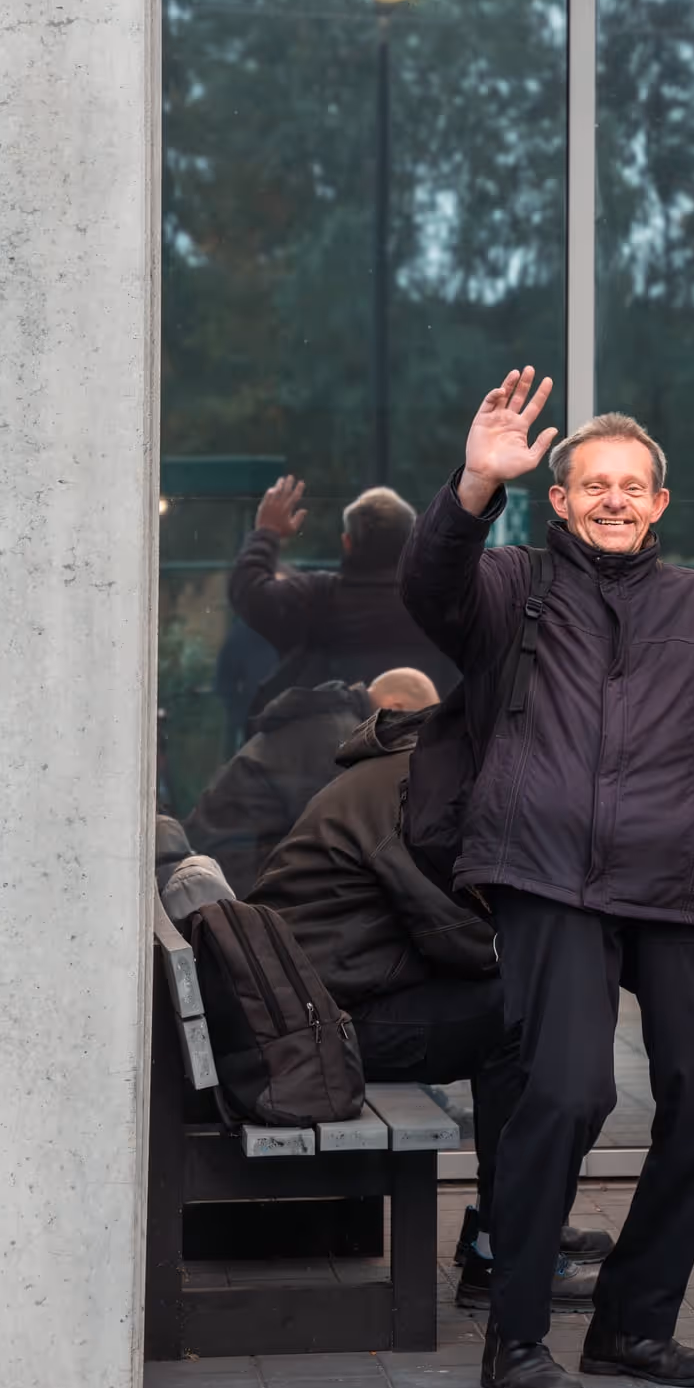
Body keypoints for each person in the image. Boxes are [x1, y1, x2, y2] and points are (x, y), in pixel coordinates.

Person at [400, 368, 694, 1388]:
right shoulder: (509, 589)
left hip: (685, 884)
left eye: (632, 486)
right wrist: (472, 486)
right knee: (569, 1090)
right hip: (549, 877)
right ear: (561, 500)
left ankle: (632, 1325)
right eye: (593, 485)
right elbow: (428, 585)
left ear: (660, 504)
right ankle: (519, 1334)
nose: (614, 500)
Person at [246, 668, 602, 1312]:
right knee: (524, 1022)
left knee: (529, 1009)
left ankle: (520, 1220)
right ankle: (507, 1247)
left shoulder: (408, 768)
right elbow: (452, 929)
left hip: (325, 1005)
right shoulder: (418, 789)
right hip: (322, 1028)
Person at [230, 477, 458, 717]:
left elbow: (249, 593)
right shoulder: (444, 603)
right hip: (430, 745)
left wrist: (267, 532)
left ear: (347, 542)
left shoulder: (319, 597)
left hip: (331, 746)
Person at [185, 677, 376, 899]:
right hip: (240, 870)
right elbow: (335, 831)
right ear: (398, 707)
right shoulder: (341, 738)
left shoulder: (320, 722)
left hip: (219, 858)